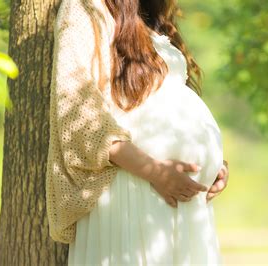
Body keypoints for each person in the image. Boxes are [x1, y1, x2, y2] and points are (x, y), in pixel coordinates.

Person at [45, 0, 229, 265]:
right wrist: (155, 171)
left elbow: (169, 96)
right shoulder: (85, 7)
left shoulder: (152, 14)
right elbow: (76, 110)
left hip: (179, 194)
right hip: (132, 189)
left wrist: (213, 164)